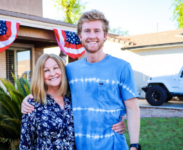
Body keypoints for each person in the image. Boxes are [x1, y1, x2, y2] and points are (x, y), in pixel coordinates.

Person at [22, 10, 140, 150]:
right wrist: (29, 99)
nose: (92, 36)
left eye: (97, 31)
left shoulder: (122, 67)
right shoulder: (70, 70)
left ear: (105, 35)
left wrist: (134, 145)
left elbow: (133, 110)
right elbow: (52, 86)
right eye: (87, 31)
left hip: (114, 145)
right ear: (80, 36)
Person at [19, 54, 76, 149]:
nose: (52, 73)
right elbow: (25, 145)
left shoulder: (73, 99)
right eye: (46, 70)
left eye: (55, 68)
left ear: (62, 70)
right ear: (40, 75)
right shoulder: (33, 106)